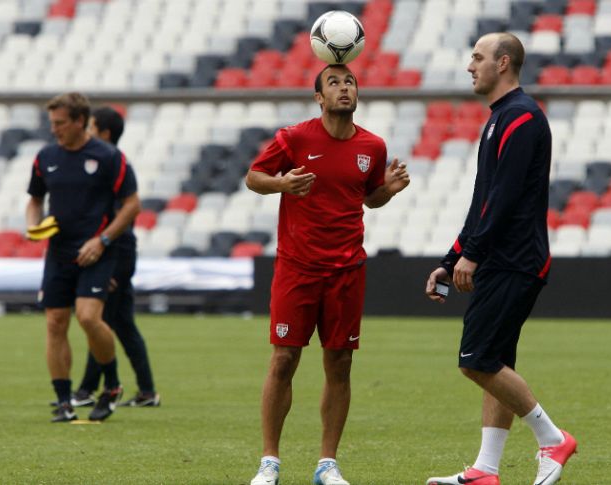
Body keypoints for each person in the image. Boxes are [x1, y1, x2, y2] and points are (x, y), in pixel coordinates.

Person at [423, 33, 577, 485]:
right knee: (495, 360)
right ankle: (486, 471)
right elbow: (482, 200)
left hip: (516, 259)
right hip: (500, 258)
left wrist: (473, 253)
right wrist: (451, 260)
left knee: (476, 360)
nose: (470, 65)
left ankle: (553, 440)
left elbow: (505, 198)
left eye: (477, 57)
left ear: (503, 63)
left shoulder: (522, 118)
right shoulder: (499, 119)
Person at [246, 64, 410, 485]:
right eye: (333, 83)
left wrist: (387, 190)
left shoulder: (372, 146)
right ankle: (269, 462)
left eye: (349, 81)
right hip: (297, 268)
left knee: (339, 363)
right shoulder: (294, 138)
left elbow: (368, 198)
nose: (344, 88)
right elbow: (253, 177)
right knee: (284, 359)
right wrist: (283, 185)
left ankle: (327, 464)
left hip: (347, 270)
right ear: (319, 97)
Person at [26, 92, 140, 422]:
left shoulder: (108, 157)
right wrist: (33, 224)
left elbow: (132, 205)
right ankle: (64, 401)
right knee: (55, 322)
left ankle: (113, 384)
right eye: (52, 123)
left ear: (79, 121)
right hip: (58, 252)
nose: (55, 130)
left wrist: (102, 240)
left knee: (89, 318)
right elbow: (35, 199)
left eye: (60, 123)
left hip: (97, 252)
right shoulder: (45, 156)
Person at [65, 106, 160, 408]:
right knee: (120, 324)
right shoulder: (107, 162)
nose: (87, 133)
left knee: (99, 322)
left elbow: (123, 219)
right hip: (117, 252)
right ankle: (145, 391)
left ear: (104, 133)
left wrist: (115, 269)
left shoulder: (109, 164)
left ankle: (87, 390)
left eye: (91, 127)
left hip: (116, 253)